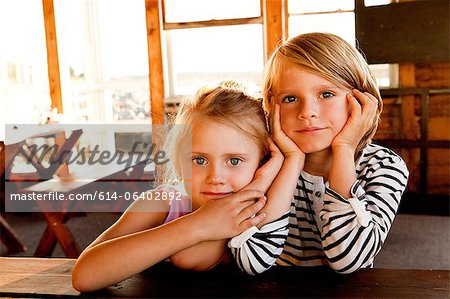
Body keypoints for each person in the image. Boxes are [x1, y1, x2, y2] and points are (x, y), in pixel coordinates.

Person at [72, 81, 295, 292]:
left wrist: (260, 183)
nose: (216, 177)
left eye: (234, 161)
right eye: (199, 160)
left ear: (263, 162)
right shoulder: (162, 203)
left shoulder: (267, 205)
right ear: (179, 163)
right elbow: (84, 276)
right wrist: (199, 224)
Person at [229, 32, 409, 275]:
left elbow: (349, 259)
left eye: (326, 94)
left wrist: (344, 149)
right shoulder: (263, 164)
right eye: (291, 98)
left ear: (362, 100)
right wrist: (292, 161)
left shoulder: (384, 166)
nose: (307, 112)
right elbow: (253, 260)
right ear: (272, 107)